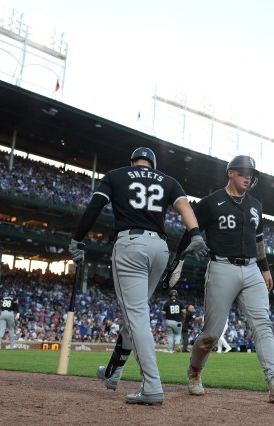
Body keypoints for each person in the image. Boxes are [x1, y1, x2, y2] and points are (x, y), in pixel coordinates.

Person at [68, 147, 208, 406]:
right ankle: (114, 371)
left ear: (132, 162)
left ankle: (152, 385)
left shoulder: (116, 175)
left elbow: (95, 205)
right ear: (152, 166)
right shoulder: (168, 180)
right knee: (134, 315)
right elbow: (185, 207)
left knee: (136, 316)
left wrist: (77, 239)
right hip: (160, 249)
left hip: (131, 244)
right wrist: (196, 234)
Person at [165, 154, 274, 403]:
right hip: (221, 267)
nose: (247, 177)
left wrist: (266, 269)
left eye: (250, 174)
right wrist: (178, 260)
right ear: (230, 173)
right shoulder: (211, 202)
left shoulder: (255, 205)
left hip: (252, 270)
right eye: (242, 172)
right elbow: (191, 230)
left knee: (263, 326)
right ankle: (194, 372)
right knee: (211, 334)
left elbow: (258, 240)